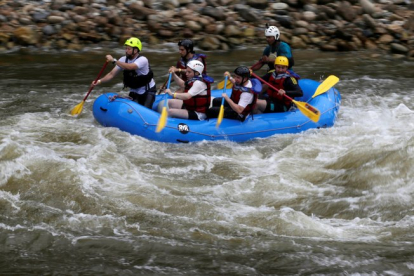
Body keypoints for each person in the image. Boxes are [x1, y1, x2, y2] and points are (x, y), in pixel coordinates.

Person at [92, 37, 156, 109]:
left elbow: (130, 67)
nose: (126, 50)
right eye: (126, 48)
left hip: (147, 91)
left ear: (135, 50)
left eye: (129, 49)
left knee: (145, 111)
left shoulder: (143, 60)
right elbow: (111, 74)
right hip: (134, 91)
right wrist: (99, 81)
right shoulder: (123, 59)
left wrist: (114, 61)